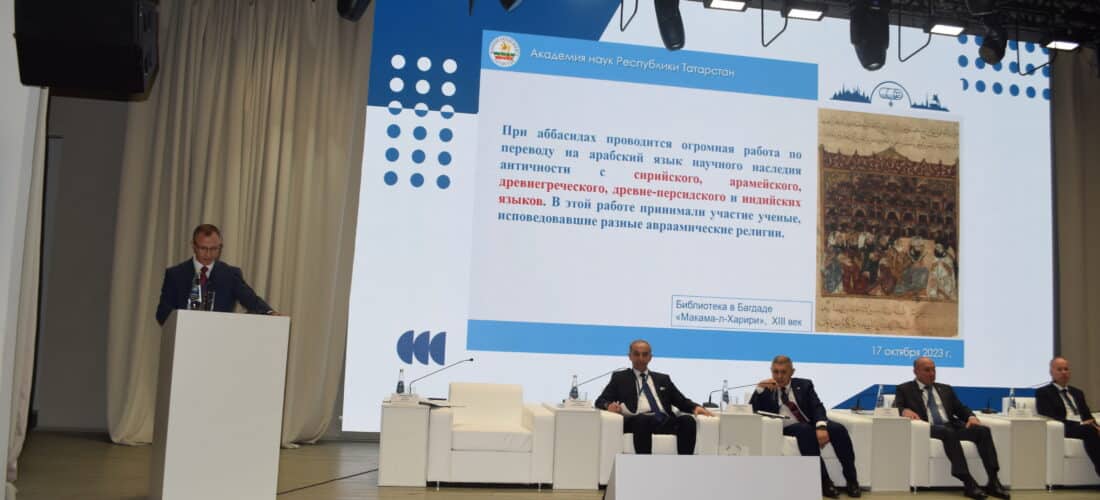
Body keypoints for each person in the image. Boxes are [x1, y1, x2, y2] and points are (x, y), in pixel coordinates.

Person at [894, 357, 1009, 499]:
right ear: (916, 371)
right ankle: (968, 482)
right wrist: (904, 410)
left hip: (951, 426)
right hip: (929, 427)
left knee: (983, 431)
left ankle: (993, 481)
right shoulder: (904, 389)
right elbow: (897, 407)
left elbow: (960, 408)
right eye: (927, 370)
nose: (932, 374)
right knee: (947, 432)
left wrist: (971, 417)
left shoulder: (945, 389)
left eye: (933, 370)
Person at [750, 355, 862, 498]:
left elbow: (817, 407)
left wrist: (821, 427)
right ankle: (825, 482)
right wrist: (759, 389)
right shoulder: (766, 389)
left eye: (783, 372)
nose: (779, 376)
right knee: (805, 431)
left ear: (792, 372)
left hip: (810, 422)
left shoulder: (804, 385)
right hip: (788, 426)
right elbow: (752, 410)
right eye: (775, 372)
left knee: (838, 429)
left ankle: (852, 481)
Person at [595, 339, 713, 455]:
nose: (641, 358)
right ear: (630, 356)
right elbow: (600, 401)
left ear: (650, 357)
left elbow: (680, 401)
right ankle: (645, 464)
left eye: (644, 354)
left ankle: (685, 463)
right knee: (642, 420)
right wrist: (608, 405)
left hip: (662, 420)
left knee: (688, 421)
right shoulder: (620, 378)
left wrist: (695, 407)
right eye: (636, 354)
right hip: (637, 421)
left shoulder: (663, 379)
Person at [155, 224, 277, 325]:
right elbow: (162, 313)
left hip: (219, 338)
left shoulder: (230, 275)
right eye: (203, 248)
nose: (208, 254)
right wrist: (183, 320)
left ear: (220, 247)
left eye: (214, 249)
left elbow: (251, 300)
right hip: (183, 337)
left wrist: (270, 313)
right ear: (193, 246)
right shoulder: (175, 274)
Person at [1035, 357, 1100, 476]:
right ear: (1051, 372)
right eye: (1059, 369)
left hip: (1084, 427)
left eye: (1066, 369)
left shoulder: (1077, 392)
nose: (1064, 372)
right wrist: (1081, 424)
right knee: (1090, 431)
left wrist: (1097, 426)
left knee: (1092, 429)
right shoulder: (1043, 392)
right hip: (1064, 426)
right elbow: (1048, 416)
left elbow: (1087, 415)